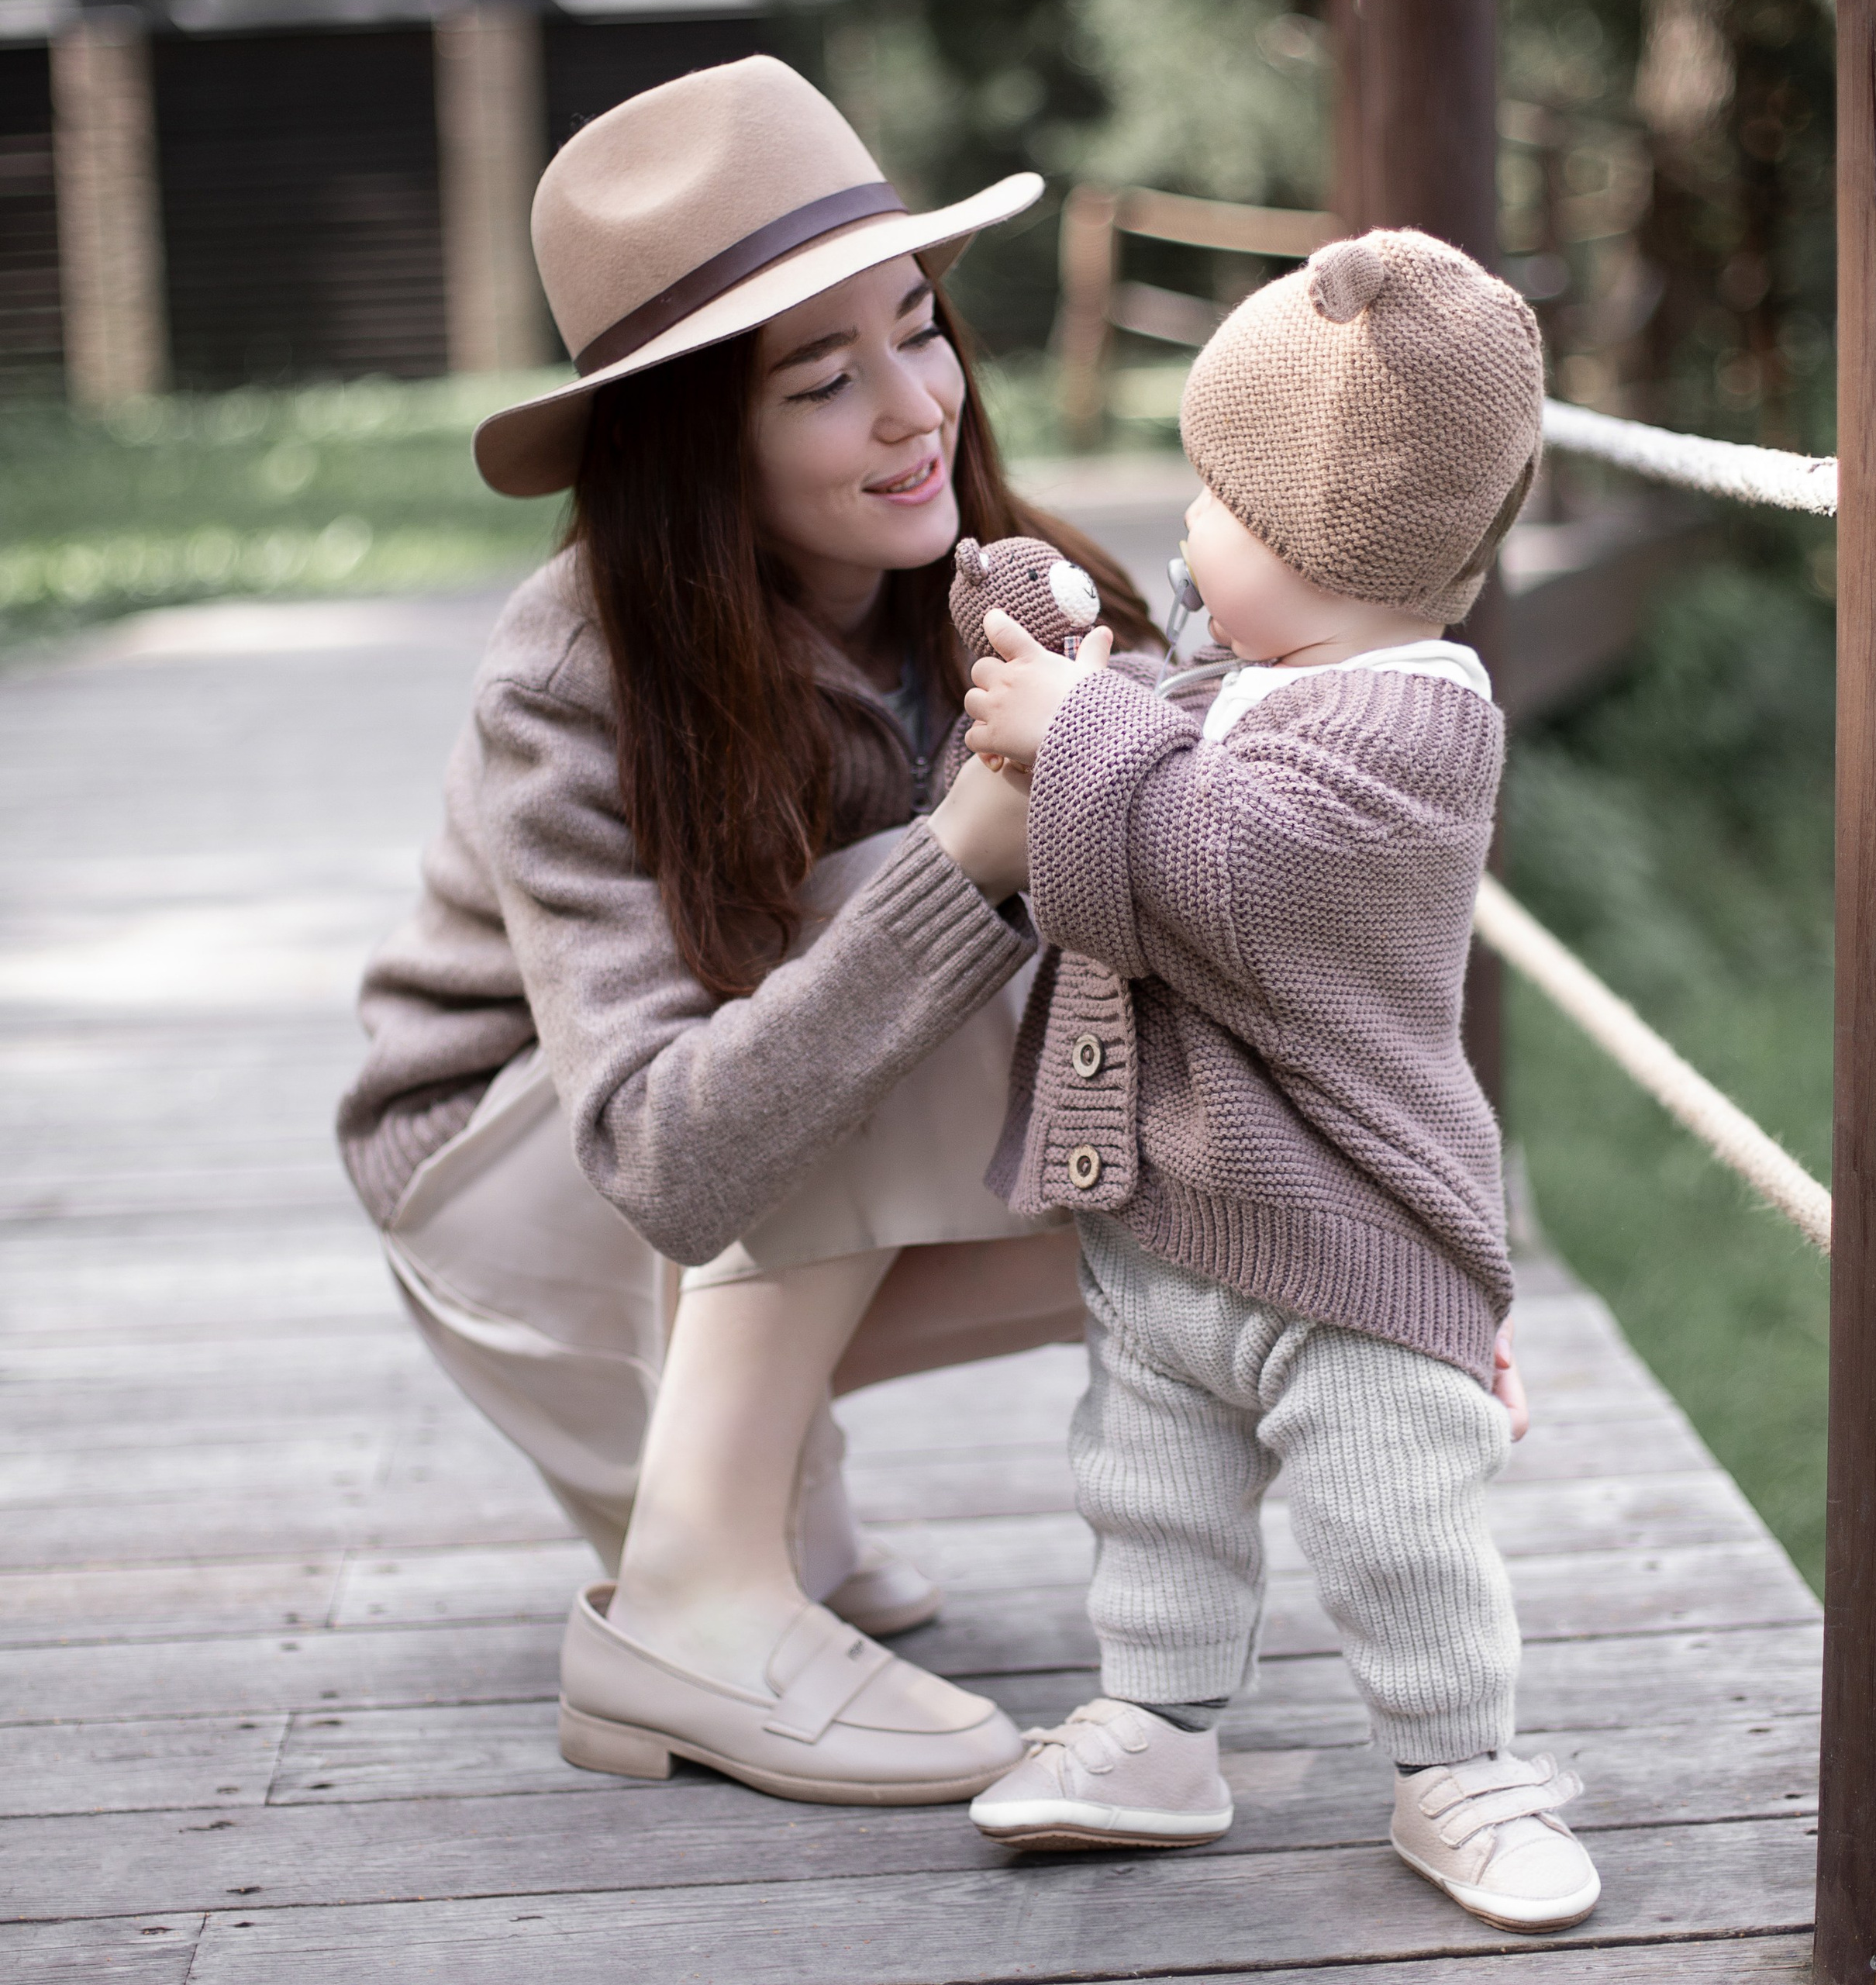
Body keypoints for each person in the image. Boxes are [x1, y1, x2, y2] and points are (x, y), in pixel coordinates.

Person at [335, 56, 1158, 1806]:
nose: (913, 408)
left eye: (919, 328)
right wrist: (968, 859)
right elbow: (661, 1149)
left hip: (734, 1195)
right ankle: (697, 1584)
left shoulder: (999, 585)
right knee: (929, 904)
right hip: (527, 1212)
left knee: (1157, 1066)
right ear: (693, 437)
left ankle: (753, 1491)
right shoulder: (576, 674)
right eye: (823, 378)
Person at [956, 230, 1601, 1929]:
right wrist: (1044, 660)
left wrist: (1079, 730)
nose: (1182, 529)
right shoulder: (1246, 680)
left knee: (1397, 1518)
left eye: (1213, 500)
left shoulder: (1415, 729)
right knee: (1147, 1491)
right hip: (1177, 1217)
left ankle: (1456, 1761)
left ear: (1321, 539)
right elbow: (1140, 767)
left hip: (1349, 1240)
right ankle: (1158, 1722)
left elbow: (1227, 876)